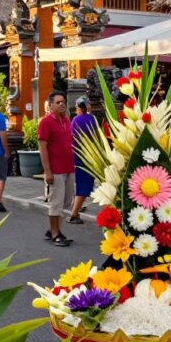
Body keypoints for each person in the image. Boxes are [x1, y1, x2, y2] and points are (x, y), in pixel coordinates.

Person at [39, 90, 74, 247]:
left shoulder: (67, 121)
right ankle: (55, 233)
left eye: (63, 101)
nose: (62, 104)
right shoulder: (45, 122)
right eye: (58, 102)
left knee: (66, 202)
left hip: (69, 167)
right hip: (56, 169)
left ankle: (53, 229)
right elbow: (43, 148)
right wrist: (47, 171)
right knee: (56, 202)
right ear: (50, 105)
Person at [69, 97, 99, 223]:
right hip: (90, 156)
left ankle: (74, 211)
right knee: (84, 185)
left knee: (81, 185)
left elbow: (70, 138)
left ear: (79, 108)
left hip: (78, 156)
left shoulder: (76, 120)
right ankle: (74, 213)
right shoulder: (93, 119)